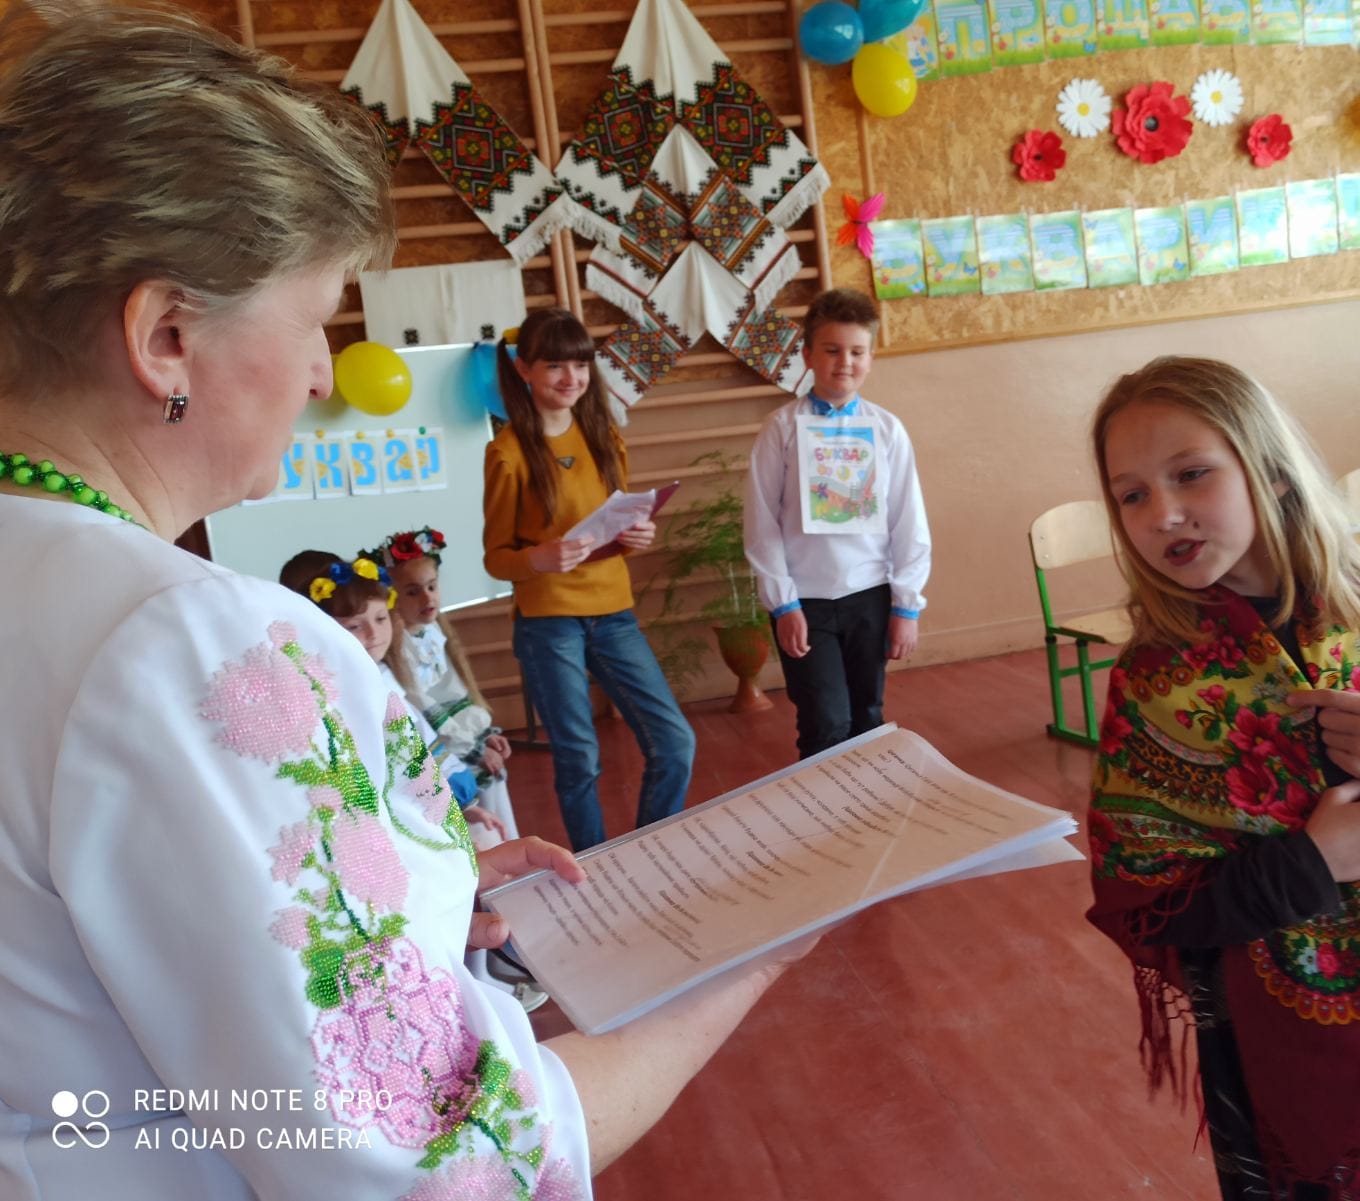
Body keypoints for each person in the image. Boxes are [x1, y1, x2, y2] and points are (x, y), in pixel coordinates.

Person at [0, 6, 808, 1197]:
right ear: (166, 335)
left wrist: (414, 898)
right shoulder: (181, 640)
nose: (321, 371)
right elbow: (440, 1160)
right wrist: (742, 958)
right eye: (315, 318)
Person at [1082, 356, 1360, 1200]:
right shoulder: (1155, 684)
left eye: (1191, 474)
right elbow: (1146, 899)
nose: (1163, 512)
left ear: (1273, 471)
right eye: (1131, 494)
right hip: (1273, 1020)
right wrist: (1312, 863)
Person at [483, 308, 695, 853]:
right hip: (547, 622)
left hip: (613, 611)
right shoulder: (507, 453)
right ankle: (594, 866)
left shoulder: (604, 436)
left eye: (580, 365)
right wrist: (540, 558)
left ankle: (645, 852)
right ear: (524, 369)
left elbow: (614, 522)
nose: (570, 378)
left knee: (675, 742)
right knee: (579, 756)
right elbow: (496, 559)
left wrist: (635, 536)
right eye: (555, 365)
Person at [744, 287, 932, 760]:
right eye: (831, 350)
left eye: (856, 351)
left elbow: (908, 520)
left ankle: (870, 804)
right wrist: (783, 603)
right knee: (825, 721)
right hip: (805, 601)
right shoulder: (781, 428)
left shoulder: (887, 430)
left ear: (870, 357)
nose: (844, 362)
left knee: (868, 717)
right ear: (808, 355)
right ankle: (823, 804)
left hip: (869, 595)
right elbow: (761, 522)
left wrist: (906, 605)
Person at [288, 552, 509, 844]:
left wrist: (463, 802)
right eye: (354, 626)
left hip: (417, 803)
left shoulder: (383, 677)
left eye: (381, 619)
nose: (374, 633)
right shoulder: (328, 692)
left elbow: (420, 739)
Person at [372, 525, 521, 840]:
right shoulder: (399, 651)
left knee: (498, 822)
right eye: (412, 591)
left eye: (431, 586)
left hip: (469, 746)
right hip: (448, 758)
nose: (427, 597)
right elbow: (424, 711)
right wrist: (475, 750)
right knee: (478, 833)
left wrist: (485, 737)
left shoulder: (434, 633)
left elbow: (456, 693)